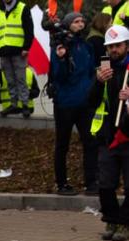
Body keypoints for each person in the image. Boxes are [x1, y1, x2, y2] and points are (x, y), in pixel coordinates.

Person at [88, 25, 129, 241]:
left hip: (128, 135)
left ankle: (125, 224)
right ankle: (112, 220)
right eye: (110, 46)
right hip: (108, 136)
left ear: (127, 46)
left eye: (118, 45)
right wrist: (98, 82)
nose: (114, 50)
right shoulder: (103, 69)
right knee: (105, 184)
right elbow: (91, 102)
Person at [50, 12, 98, 196]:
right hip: (65, 103)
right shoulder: (60, 46)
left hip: (85, 102)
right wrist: (62, 59)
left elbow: (91, 72)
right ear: (68, 24)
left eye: (82, 21)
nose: (81, 24)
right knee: (63, 144)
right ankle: (62, 184)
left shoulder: (86, 46)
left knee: (90, 142)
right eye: (76, 21)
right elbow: (58, 75)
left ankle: (91, 182)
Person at [0, 0, 34, 117]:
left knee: (21, 78)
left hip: (19, 51)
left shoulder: (22, 8)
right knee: (9, 80)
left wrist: (26, 46)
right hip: (4, 51)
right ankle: (14, 104)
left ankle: (25, 105)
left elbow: (29, 30)